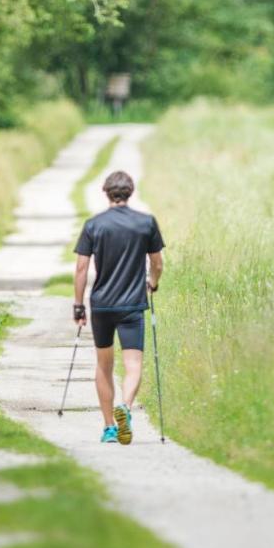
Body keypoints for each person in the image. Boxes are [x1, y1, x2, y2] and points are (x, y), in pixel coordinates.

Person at [74, 170, 164, 444]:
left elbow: (81, 267)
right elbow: (157, 263)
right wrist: (153, 282)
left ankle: (109, 427)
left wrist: (78, 305)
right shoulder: (145, 223)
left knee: (104, 365)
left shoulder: (94, 225)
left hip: (101, 304)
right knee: (133, 363)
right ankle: (124, 406)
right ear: (130, 191)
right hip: (132, 303)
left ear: (106, 192)